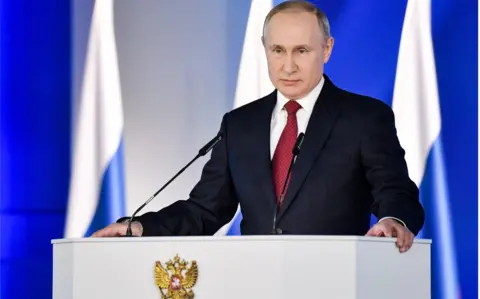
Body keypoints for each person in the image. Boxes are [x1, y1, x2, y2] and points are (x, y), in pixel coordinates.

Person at [93, 0, 424, 253]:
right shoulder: (240, 125)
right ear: (265, 49)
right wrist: (140, 228)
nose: (288, 65)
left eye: (301, 51)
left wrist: (392, 221)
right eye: (278, 50)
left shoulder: (364, 118)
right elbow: (204, 211)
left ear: (327, 49)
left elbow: (396, 192)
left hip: (333, 281)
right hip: (255, 281)